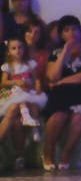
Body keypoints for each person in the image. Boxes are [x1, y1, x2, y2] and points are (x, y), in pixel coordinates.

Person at [42, 15, 81, 171]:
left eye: (75, 29)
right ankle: (48, 152)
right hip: (61, 95)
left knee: (80, 114)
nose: (72, 33)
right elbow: (52, 76)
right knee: (58, 115)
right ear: (62, 34)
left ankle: (66, 153)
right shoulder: (55, 53)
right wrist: (64, 53)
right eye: (67, 30)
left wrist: (62, 81)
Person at [0, 36, 48, 169]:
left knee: (29, 107)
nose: (18, 51)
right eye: (14, 48)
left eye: (20, 47)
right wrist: (16, 82)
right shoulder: (7, 66)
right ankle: (20, 156)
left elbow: (35, 80)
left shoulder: (29, 64)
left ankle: (33, 129)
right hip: (13, 94)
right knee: (18, 107)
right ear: (9, 51)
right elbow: (3, 83)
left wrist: (35, 85)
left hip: (28, 93)